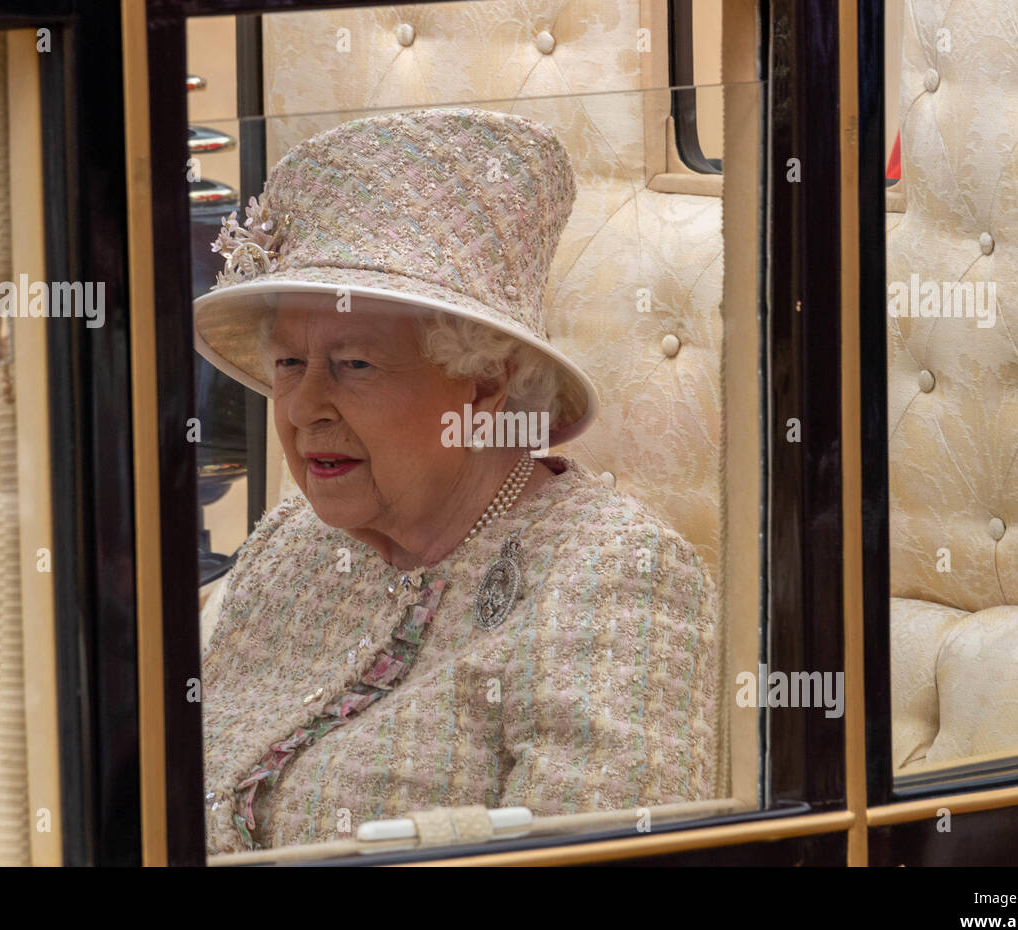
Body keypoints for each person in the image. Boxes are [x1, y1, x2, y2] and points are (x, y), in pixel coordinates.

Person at [194, 107, 725, 854]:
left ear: (481, 385)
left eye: (354, 364)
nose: (306, 407)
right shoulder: (294, 545)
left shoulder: (612, 578)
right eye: (289, 364)